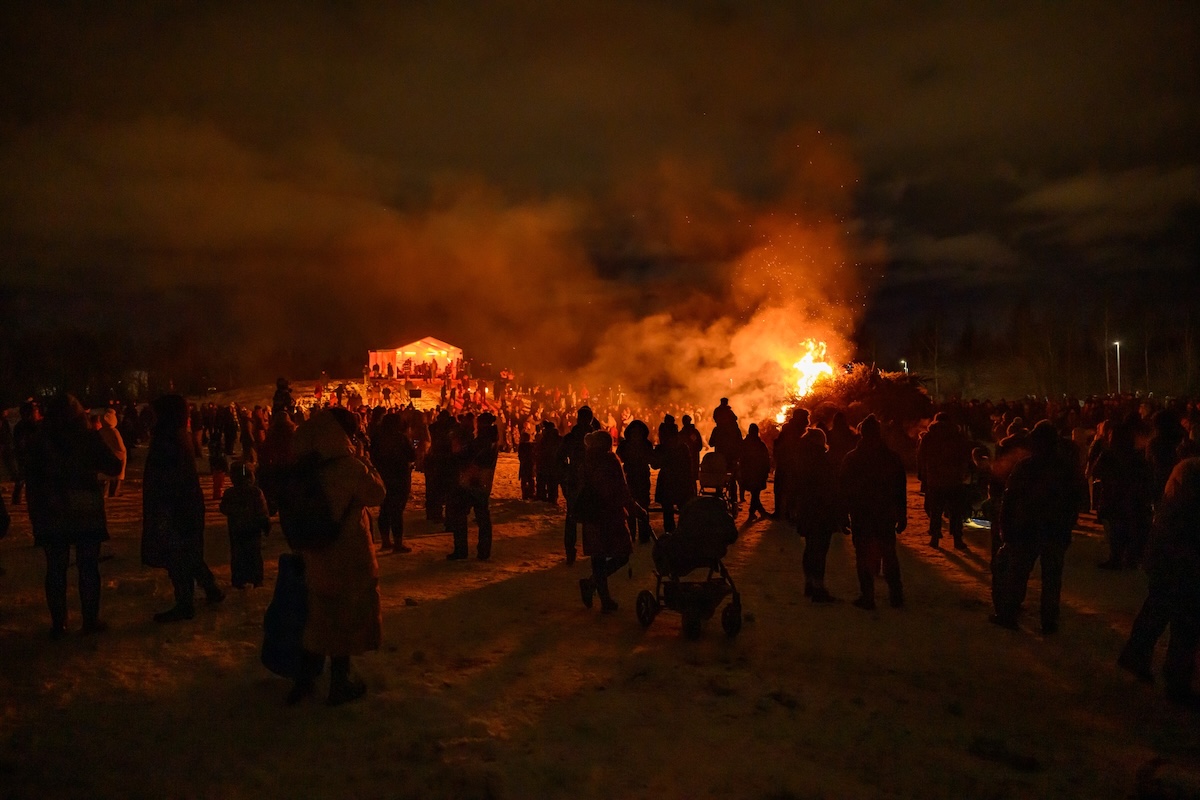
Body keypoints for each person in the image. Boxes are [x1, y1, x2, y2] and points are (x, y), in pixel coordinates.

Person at [285, 407, 386, 706]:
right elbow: (377, 493)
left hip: (314, 549)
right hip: (348, 552)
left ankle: (303, 681)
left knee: (318, 615)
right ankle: (339, 684)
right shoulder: (348, 466)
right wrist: (365, 460)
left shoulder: (306, 464)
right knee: (344, 617)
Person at [25, 394, 122, 637]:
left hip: (52, 512)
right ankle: (90, 620)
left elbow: (32, 480)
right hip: (84, 511)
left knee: (56, 569)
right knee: (88, 567)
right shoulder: (87, 438)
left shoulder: (40, 441)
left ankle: (59, 624)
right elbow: (114, 466)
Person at [1118, 457, 1200, 706]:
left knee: (1158, 608)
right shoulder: (1192, 476)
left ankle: (1136, 655)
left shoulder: (1186, 471)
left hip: (1167, 556)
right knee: (1186, 620)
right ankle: (1176, 680)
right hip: (1184, 560)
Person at [990, 421, 1086, 633]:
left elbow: (1010, 498)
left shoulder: (1026, 466)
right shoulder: (1066, 468)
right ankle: (1049, 621)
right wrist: (1068, 524)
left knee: (1019, 573)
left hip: (1027, 529)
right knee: (1051, 579)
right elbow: (1077, 498)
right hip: (1055, 530)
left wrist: (1005, 527)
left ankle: (1009, 614)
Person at [142, 394, 225, 623]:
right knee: (189, 552)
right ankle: (210, 589)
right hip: (185, 503)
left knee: (178, 555)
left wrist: (162, 509)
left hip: (175, 505)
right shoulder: (176, 435)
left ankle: (185, 602)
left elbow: (166, 478)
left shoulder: (167, 439)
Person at [839, 415, 907, 611]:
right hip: (885, 514)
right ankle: (896, 595)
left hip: (862, 515)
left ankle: (868, 596)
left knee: (864, 555)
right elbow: (899, 489)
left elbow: (844, 488)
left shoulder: (853, 458)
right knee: (889, 554)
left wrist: (843, 515)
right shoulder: (892, 457)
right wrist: (901, 514)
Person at [577, 430, 647, 613]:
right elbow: (620, 489)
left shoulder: (586, 461)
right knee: (622, 553)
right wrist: (634, 508)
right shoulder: (609, 461)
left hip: (592, 514)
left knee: (598, 557)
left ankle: (600, 592)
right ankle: (600, 593)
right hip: (610, 514)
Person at [1092, 419, 1153, 569]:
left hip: (1114, 496)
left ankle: (1116, 558)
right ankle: (1130, 558)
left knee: (1116, 529)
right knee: (1129, 527)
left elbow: (1096, 471)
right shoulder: (1137, 456)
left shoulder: (1109, 455)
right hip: (1131, 498)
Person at [446, 414, 498, 561]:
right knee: (482, 517)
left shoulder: (482, 441)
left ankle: (462, 549)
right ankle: (483, 551)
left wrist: (457, 455)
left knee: (460, 514)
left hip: (472, 481)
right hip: (483, 482)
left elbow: (467, 455)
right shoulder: (491, 440)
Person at [916, 412, 973, 549]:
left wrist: (923, 475)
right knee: (955, 511)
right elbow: (965, 455)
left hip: (935, 479)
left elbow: (921, 457)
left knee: (935, 510)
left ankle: (935, 537)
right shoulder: (958, 436)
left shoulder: (929, 437)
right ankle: (957, 539)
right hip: (954, 479)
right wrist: (964, 472)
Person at [795, 427, 839, 602]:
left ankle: (809, 583)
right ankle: (818, 588)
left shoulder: (801, 459)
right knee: (820, 550)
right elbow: (831, 488)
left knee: (810, 548)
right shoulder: (823, 460)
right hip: (822, 512)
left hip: (806, 510)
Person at [219, 461, 270, 589]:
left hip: (236, 529)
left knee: (238, 555)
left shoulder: (230, 493)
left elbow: (224, 508)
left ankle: (239, 579)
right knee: (254, 554)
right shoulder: (255, 492)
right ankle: (256, 578)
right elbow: (262, 511)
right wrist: (266, 525)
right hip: (253, 529)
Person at [371, 412, 417, 553]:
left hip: (383, 476)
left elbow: (373, 455)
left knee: (384, 509)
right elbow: (412, 455)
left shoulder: (377, 437)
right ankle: (398, 543)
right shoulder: (400, 438)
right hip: (399, 476)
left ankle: (386, 541)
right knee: (397, 511)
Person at [558, 406, 598, 565]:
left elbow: (559, 459)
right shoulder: (577, 438)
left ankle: (575, 551)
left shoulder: (592, 439)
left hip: (586, 481)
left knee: (577, 517)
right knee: (585, 517)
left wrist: (565, 474)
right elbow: (560, 459)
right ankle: (588, 552)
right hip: (581, 481)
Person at [653, 416, 695, 533]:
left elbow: (655, 465)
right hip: (680, 481)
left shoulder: (670, 448)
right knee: (682, 509)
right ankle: (682, 532)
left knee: (669, 510)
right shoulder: (682, 447)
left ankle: (673, 533)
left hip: (670, 482)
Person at [616, 419, 654, 543]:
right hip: (630, 476)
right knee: (631, 505)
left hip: (641, 476)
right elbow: (619, 457)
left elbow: (650, 459)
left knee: (642, 504)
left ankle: (643, 535)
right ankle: (631, 535)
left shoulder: (645, 444)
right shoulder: (626, 444)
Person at [738, 423, 772, 519]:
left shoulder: (744, 443)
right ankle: (756, 512)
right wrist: (766, 470)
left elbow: (741, 457)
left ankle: (756, 512)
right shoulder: (760, 444)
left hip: (748, 472)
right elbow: (765, 459)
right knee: (755, 493)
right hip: (758, 472)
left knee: (755, 493)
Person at [96, 407, 127, 497]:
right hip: (117, 454)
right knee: (117, 473)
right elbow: (120, 445)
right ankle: (114, 491)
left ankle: (105, 491)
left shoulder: (101, 431)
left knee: (106, 473)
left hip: (106, 453)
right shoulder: (114, 431)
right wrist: (123, 452)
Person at [535, 420, 562, 505]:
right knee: (552, 482)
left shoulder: (545, 438)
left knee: (543, 479)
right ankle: (552, 497)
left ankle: (542, 496)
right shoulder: (558, 438)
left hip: (545, 462)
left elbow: (540, 450)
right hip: (554, 463)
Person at [517, 431, 536, 501]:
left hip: (525, 464)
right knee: (530, 479)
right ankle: (530, 493)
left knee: (525, 480)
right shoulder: (531, 445)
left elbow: (520, 455)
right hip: (529, 464)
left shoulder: (522, 445)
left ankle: (526, 494)